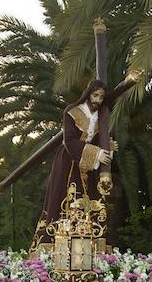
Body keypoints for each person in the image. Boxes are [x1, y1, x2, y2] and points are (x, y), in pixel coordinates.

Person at [38, 78, 115, 231]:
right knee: (63, 199)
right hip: (68, 160)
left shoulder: (101, 117)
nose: (97, 100)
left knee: (91, 203)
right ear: (88, 94)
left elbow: (99, 139)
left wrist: (108, 148)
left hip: (89, 166)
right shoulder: (72, 111)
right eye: (95, 95)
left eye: (101, 97)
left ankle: (89, 243)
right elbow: (69, 141)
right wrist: (97, 153)